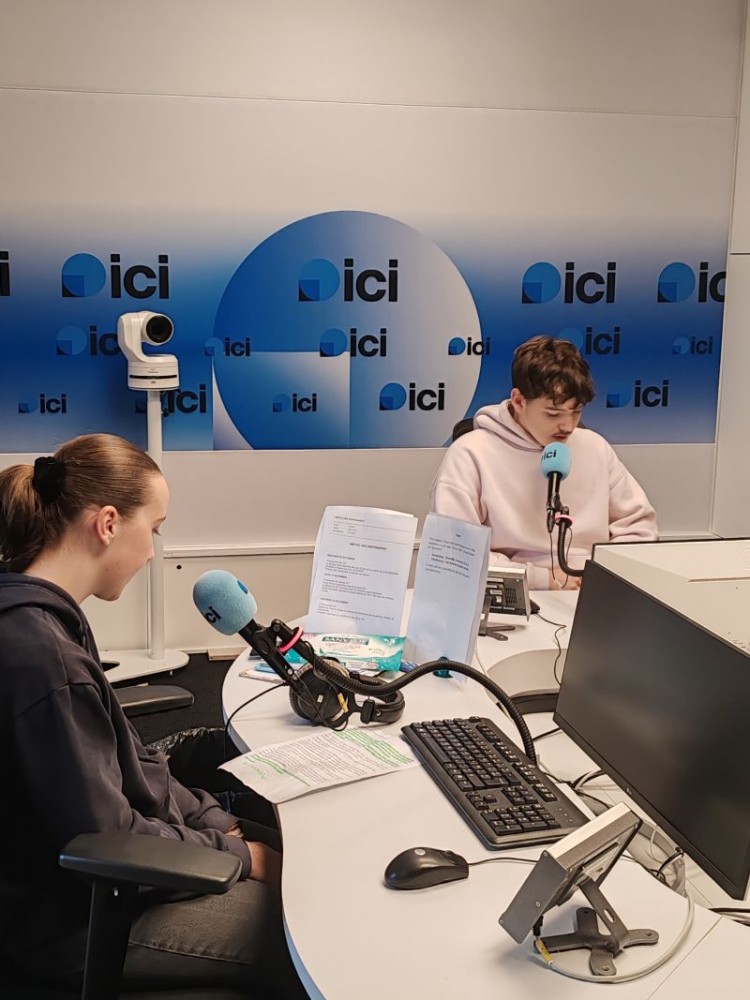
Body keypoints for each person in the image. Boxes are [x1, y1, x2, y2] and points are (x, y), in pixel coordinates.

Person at [0, 433, 307, 997]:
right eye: (155, 529)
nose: (152, 551)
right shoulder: (43, 656)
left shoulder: (44, 619)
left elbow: (133, 759)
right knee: (306, 932)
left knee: (299, 854)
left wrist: (218, 824)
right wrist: (241, 855)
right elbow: (105, 836)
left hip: (82, 883)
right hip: (68, 923)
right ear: (108, 524)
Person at [430, 336, 658, 589]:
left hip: (592, 590)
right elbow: (456, 553)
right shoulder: (470, 453)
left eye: (576, 411)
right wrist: (543, 579)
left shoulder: (595, 447)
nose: (567, 425)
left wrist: (603, 574)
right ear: (519, 400)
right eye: (553, 413)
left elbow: (639, 528)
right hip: (515, 592)